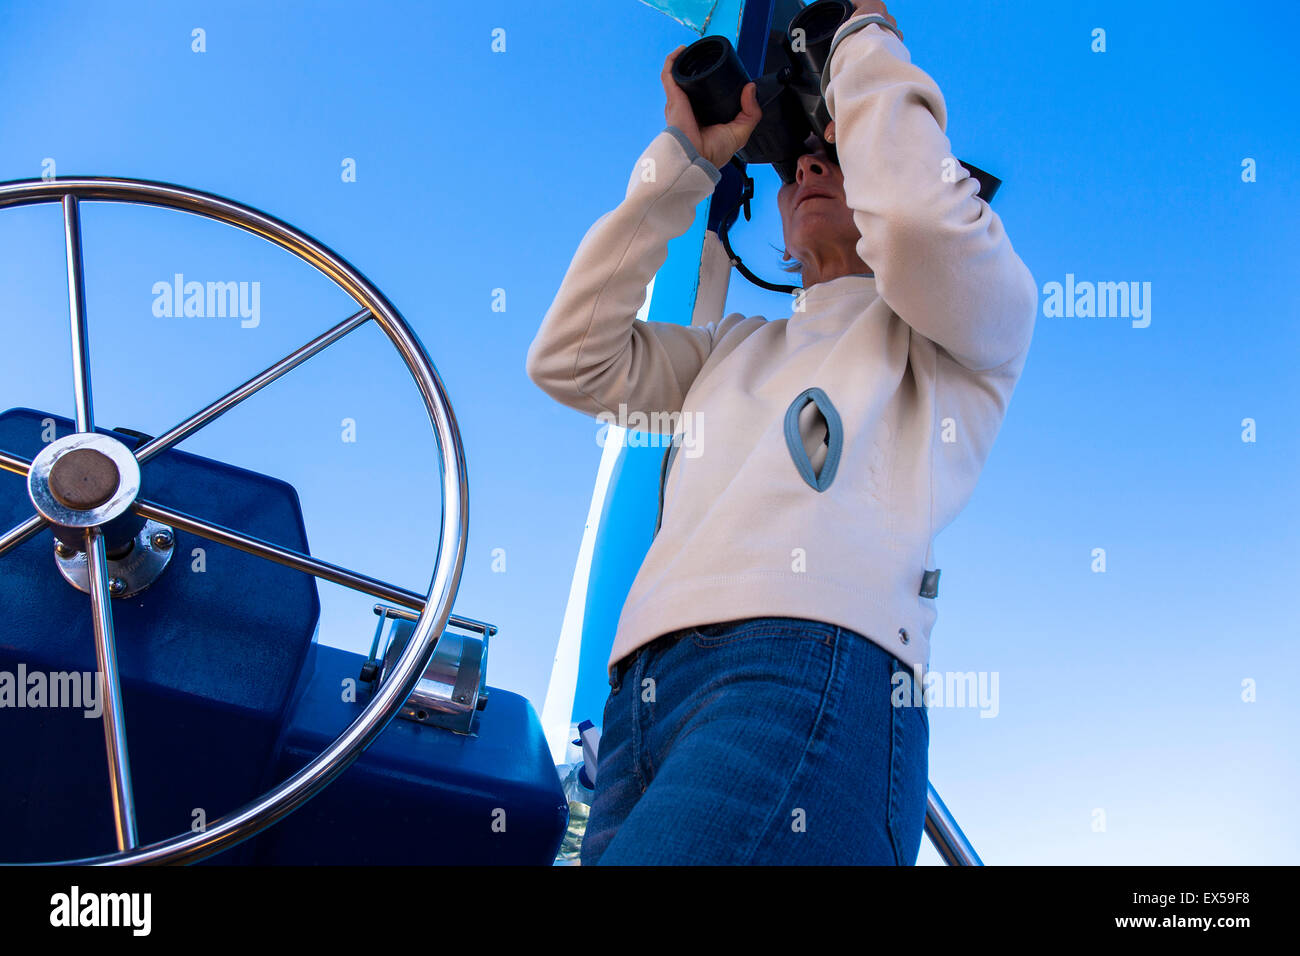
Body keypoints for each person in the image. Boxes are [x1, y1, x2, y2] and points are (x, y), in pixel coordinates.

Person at [525, 0, 1037, 865]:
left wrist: (864, 33)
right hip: (638, 703)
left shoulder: (960, 336)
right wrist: (687, 162)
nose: (810, 163)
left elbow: (916, 220)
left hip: (807, 667)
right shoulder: (732, 349)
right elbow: (571, 359)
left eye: (841, 153)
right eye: (802, 160)